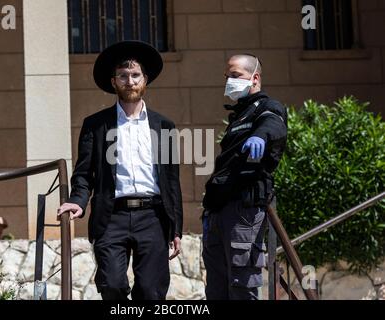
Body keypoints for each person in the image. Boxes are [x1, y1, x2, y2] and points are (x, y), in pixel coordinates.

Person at [57, 41, 183, 300]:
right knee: (112, 285)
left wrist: (176, 227)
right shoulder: (95, 125)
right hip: (111, 215)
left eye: (135, 75)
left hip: (153, 216)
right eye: (123, 76)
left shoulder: (164, 126)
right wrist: (77, 201)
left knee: (151, 291)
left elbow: (171, 181)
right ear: (113, 82)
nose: (130, 81)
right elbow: (83, 173)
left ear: (145, 80)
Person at [202, 54, 287, 300]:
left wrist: (261, 136)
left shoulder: (267, 107)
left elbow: (274, 125)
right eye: (227, 76)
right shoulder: (239, 115)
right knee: (217, 288)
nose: (230, 81)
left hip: (244, 210)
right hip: (219, 210)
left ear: (255, 78)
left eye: (236, 75)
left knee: (241, 285)